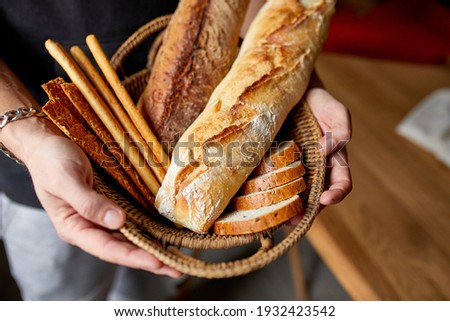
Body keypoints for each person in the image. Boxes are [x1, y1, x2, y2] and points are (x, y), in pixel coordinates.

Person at [0, 0, 352, 300]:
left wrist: (300, 83)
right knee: (67, 301)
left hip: (197, 94)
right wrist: (29, 139)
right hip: (42, 165)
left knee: (149, 295)